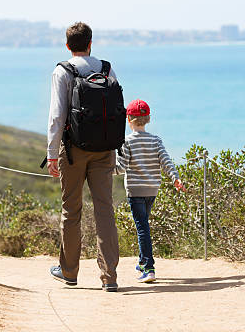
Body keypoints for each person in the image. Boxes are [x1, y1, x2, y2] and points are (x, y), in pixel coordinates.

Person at [47, 22, 120, 292]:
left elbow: (57, 115)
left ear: (68, 46)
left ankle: (69, 272)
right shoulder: (106, 68)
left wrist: (52, 154)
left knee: (71, 210)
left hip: (74, 151)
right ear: (91, 43)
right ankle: (109, 276)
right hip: (105, 149)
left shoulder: (62, 71)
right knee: (105, 210)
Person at [114, 99, 186, 283]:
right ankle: (142, 261)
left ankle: (148, 267)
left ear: (128, 119)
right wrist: (175, 178)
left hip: (135, 190)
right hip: (152, 189)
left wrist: (103, 169)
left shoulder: (126, 142)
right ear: (148, 119)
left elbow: (121, 168)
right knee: (144, 225)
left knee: (142, 228)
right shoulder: (156, 140)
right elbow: (166, 161)